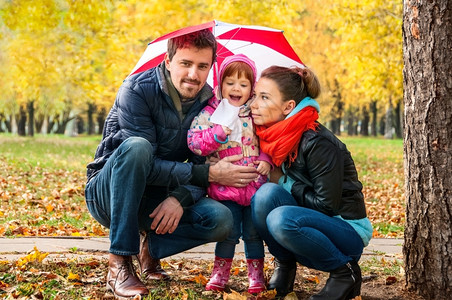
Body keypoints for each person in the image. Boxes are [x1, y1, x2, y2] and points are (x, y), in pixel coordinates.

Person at [84, 29, 259, 299]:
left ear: (211, 67)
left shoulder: (212, 103)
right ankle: (119, 262)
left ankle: (151, 248)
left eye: (202, 66)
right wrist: (209, 173)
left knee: (222, 219)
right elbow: (147, 163)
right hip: (109, 194)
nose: (193, 74)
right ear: (168, 61)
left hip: (159, 197)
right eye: (185, 64)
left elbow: (205, 164)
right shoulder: (136, 90)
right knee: (137, 147)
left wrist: (179, 198)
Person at [250, 65, 373, 299]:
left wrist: (283, 181)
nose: (253, 104)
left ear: (289, 107)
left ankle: (344, 272)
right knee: (264, 196)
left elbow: (327, 206)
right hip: (310, 224)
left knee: (280, 218)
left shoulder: (317, 141)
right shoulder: (278, 136)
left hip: (346, 231)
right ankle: (284, 266)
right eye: (255, 95)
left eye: (264, 97)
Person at [187, 54, 271, 293]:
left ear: (251, 88)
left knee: (254, 235)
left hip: (255, 187)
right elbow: (194, 142)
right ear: (220, 83)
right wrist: (217, 135)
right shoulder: (210, 114)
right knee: (229, 234)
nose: (236, 88)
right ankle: (220, 274)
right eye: (230, 82)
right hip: (226, 191)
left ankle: (256, 277)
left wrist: (265, 159)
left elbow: (269, 141)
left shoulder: (255, 113)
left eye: (243, 84)